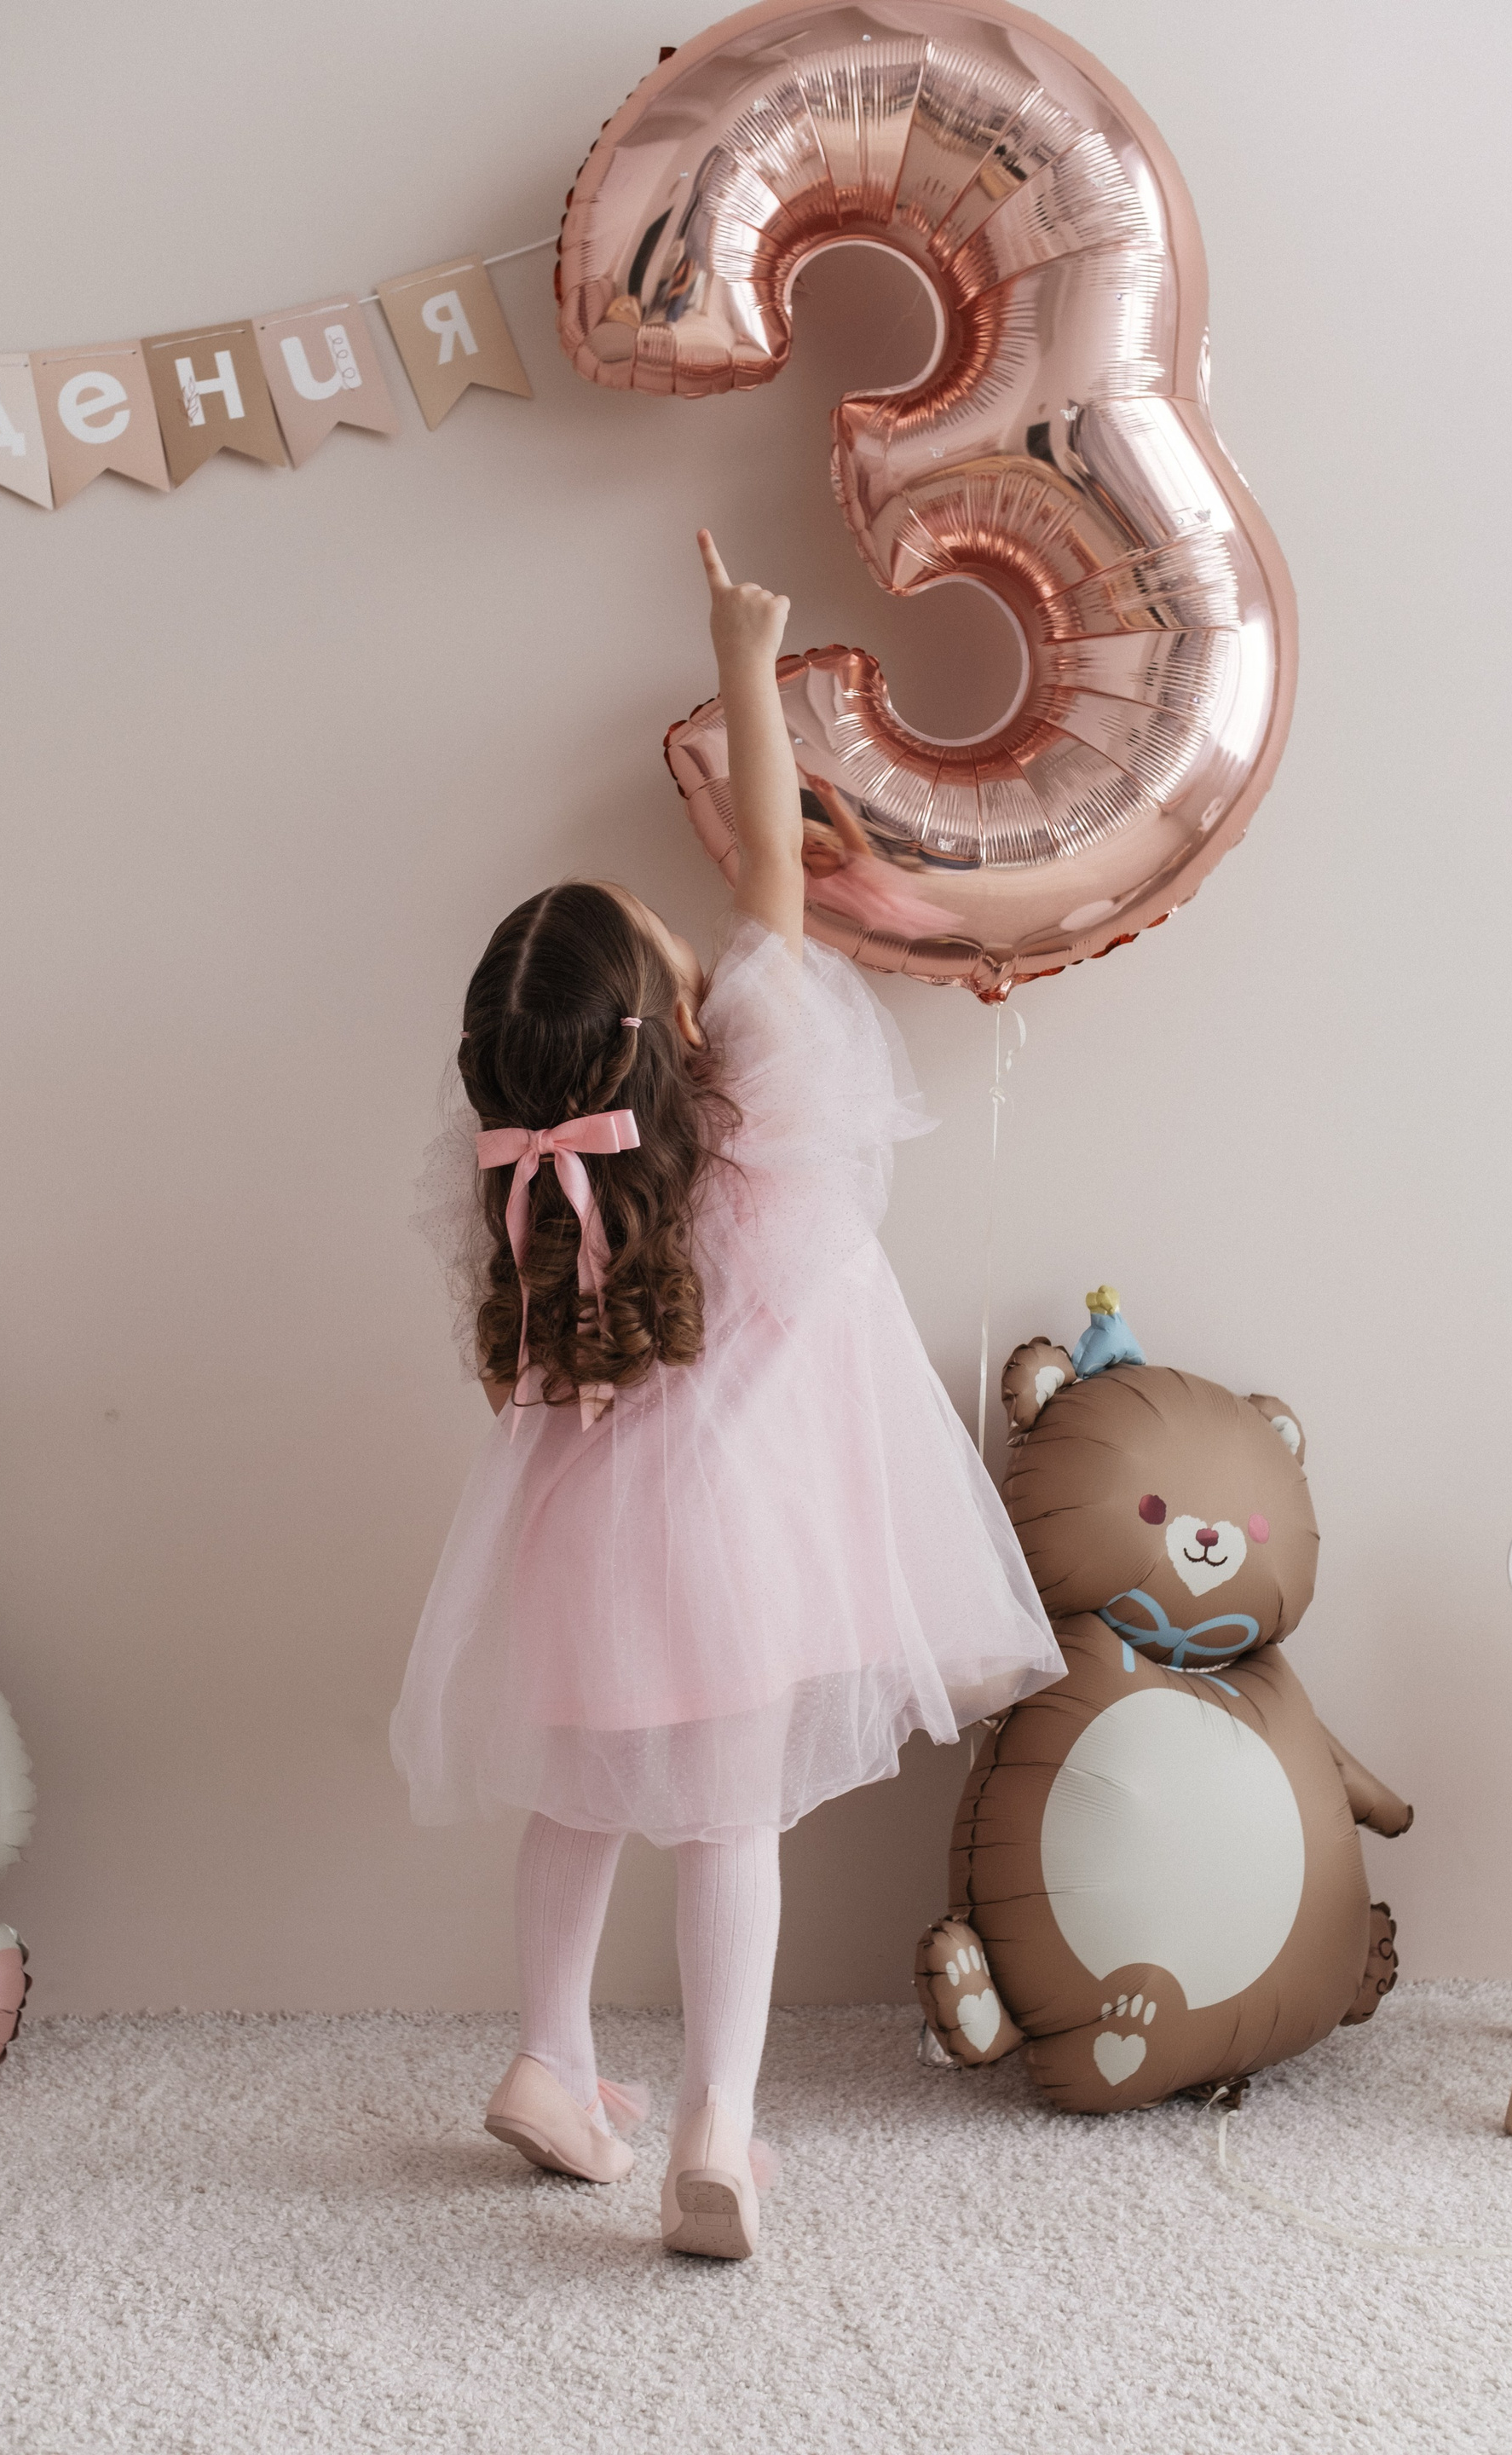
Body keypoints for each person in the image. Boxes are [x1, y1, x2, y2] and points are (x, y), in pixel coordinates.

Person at [390, 531, 1062, 2260]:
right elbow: (775, 875)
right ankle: (714, 2127)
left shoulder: (531, 1193)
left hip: (578, 1544)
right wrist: (746, 661)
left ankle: (550, 2061)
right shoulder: (759, 1124)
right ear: (670, 1018)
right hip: (741, 1552)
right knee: (727, 1824)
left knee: (577, 1802)